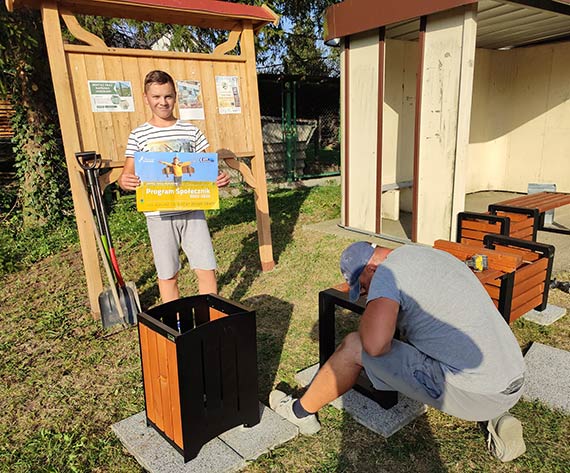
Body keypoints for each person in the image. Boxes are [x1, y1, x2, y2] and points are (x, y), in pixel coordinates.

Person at [270, 242, 527, 462]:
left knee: (354, 346)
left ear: (370, 269)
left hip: (480, 394)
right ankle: (496, 413)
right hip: (513, 375)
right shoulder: (428, 254)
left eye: (364, 287)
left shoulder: (387, 273)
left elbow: (374, 344)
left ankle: (300, 412)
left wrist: (375, 306)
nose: (368, 294)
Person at [118, 70, 230, 303]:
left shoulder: (192, 131)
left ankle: (210, 319)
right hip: (159, 215)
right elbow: (127, 174)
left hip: (193, 212)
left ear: (175, 96)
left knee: (205, 268)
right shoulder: (138, 135)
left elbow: (206, 168)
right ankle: (174, 326)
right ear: (146, 97)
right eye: (157, 97)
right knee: (168, 274)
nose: (163, 102)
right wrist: (125, 181)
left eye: (168, 96)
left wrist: (218, 179)